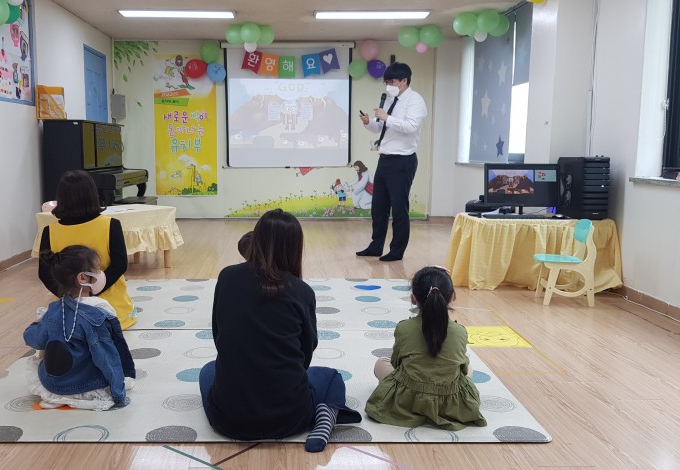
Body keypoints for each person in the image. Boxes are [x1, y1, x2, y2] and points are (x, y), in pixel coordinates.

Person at [199, 209, 361, 452]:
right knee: (332, 377)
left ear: (257, 238)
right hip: (290, 419)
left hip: (228, 421)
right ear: (295, 247)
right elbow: (306, 352)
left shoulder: (227, 277)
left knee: (208, 371)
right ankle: (327, 413)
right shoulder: (302, 291)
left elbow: (219, 334)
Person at [365, 266, 487, 430]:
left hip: (407, 401)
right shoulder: (460, 332)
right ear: (454, 296)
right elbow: (463, 370)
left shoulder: (404, 328)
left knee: (381, 363)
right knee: (468, 366)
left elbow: (396, 363)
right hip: (449, 404)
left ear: (413, 298)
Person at [24, 245, 135, 411]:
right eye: (97, 270)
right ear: (83, 278)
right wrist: (118, 394)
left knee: (45, 348)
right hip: (87, 385)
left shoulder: (54, 310)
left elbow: (34, 339)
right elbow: (106, 356)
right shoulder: (99, 312)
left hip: (54, 385)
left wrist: (39, 322)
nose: (101, 274)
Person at [38, 170, 136, 329]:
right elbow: (120, 264)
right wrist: (94, 292)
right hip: (111, 308)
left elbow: (44, 272)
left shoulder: (49, 231)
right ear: (92, 194)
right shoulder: (111, 224)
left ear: (61, 198)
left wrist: (69, 296)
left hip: (70, 311)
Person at [357, 62, 428, 261]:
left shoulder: (415, 101)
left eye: (392, 81)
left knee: (399, 208)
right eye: (386, 81)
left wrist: (387, 117)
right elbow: (380, 128)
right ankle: (375, 246)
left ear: (404, 81)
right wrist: (369, 122)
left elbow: (411, 127)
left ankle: (397, 251)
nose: (388, 85)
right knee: (378, 207)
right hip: (385, 159)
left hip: (403, 161)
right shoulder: (390, 99)